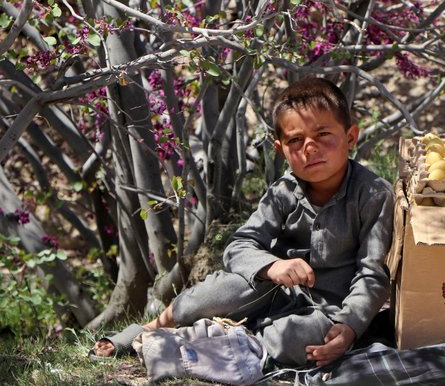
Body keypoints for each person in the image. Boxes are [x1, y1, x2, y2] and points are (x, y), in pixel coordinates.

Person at [92, 76, 395, 367]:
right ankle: (149, 330)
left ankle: (216, 339)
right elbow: (239, 246)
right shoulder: (283, 192)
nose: (310, 148)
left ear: (350, 137)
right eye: (296, 140)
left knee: (297, 341)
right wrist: (272, 266)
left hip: (327, 308)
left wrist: (349, 326)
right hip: (271, 291)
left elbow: (373, 274)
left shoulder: (372, 195)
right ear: (281, 150)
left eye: (323, 135)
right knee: (211, 294)